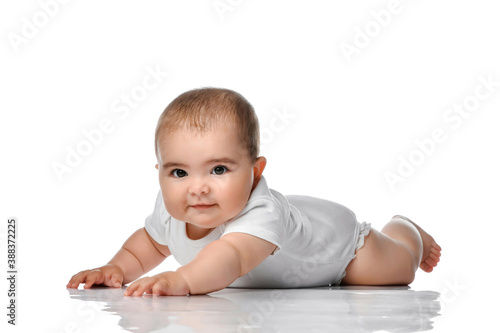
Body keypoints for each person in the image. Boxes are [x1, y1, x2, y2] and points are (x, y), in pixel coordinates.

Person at [67, 88, 441, 296]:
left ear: (255, 172)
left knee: (399, 269)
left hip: (341, 248)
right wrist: (116, 268)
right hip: (299, 228)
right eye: (179, 172)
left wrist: (181, 280)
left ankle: (405, 229)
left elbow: (230, 257)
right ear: (160, 175)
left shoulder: (260, 213)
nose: (197, 187)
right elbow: (147, 244)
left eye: (218, 169)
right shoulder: (172, 211)